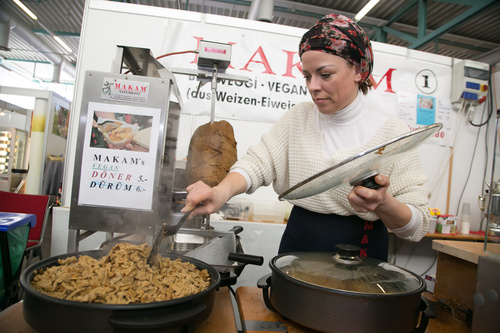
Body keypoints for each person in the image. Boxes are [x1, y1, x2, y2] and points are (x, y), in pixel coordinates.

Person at [182, 13, 431, 261]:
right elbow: (257, 163)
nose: (312, 86)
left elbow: (416, 226)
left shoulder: (393, 134)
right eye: (307, 76)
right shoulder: (298, 118)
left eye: (325, 75)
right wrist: (221, 192)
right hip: (300, 244)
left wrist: (383, 203)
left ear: (357, 70)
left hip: (362, 254)